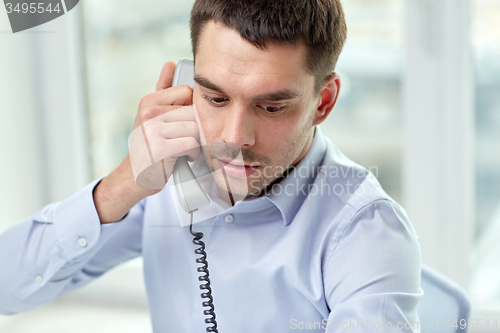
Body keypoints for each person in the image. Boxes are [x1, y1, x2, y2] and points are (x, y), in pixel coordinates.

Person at [0, 0, 423, 332]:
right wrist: (125, 183)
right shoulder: (169, 180)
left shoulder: (366, 233)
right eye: (215, 99)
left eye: (272, 106)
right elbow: (7, 288)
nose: (233, 137)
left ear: (323, 102)